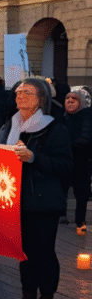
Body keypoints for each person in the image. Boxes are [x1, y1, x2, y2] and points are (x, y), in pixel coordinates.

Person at [0, 78, 72, 299]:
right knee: (24, 253)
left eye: (27, 93)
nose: (20, 96)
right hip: (15, 199)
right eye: (18, 92)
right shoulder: (11, 125)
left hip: (43, 202)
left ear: (41, 99)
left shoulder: (54, 128)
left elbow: (64, 166)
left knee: (43, 253)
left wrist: (34, 158)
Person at [61, 90, 91, 234]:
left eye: (74, 99)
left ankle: (80, 220)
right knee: (62, 188)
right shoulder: (63, 117)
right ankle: (61, 215)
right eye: (68, 98)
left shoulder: (86, 116)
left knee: (81, 192)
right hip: (66, 159)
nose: (70, 101)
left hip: (80, 159)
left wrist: (68, 145)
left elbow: (86, 138)